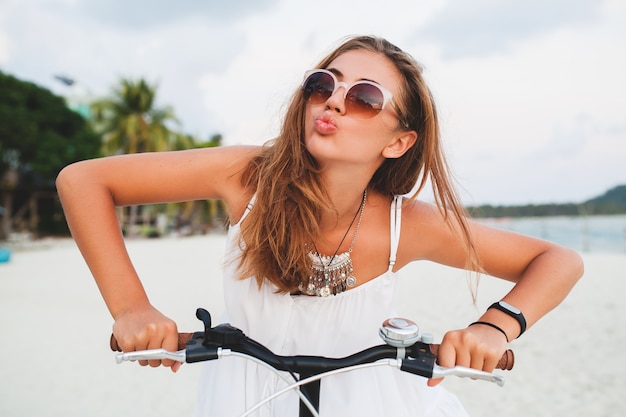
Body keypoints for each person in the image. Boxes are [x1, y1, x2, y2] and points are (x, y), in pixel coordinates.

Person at [56, 35, 583, 416]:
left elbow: (558, 260)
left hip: (376, 403)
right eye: (322, 84)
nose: (333, 99)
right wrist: (132, 308)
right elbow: (83, 182)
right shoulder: (248, 178)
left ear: (398, 141)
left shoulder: (408, 225)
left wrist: (493, 326)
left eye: (365, 98)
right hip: (244, 398)